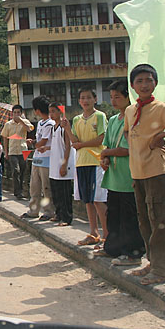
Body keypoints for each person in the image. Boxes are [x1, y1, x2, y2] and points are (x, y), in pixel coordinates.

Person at [124, 64, 165, 285]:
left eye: (148, 80)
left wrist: (163, 135)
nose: (144, 85)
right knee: (145, 221)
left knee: (161, 220)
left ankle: (162, 270)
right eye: (139, 81)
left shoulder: (160, 108)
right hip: (138, 172)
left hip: (157, 171)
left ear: (155, 83)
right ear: (132, 86)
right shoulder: (130, 110)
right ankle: (153, 262)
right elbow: (128, 132)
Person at [96, 80, 145, 264]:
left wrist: (107, 152)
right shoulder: (115, 120)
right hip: (114, 177)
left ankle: (133, 254)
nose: (114, 101)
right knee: (114, 216)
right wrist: (105, 157)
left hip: (128, 177)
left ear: (127, 97)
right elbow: (108, 145)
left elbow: (127, 149)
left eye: (118, 96)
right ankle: (113, 249)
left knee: (129, 217)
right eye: (111, 97)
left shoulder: (133, 119)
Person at [61, 88, 108, 245]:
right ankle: (93, 232)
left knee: (98, 199)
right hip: (81, 162)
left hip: (96, 162)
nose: (85, 100)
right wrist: (67, 128)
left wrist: (82, 144)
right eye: (82, 98)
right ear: (79, 101)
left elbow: (101, 139)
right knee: (88, 199)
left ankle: (107, 235)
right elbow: (74, 142)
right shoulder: (76, 120)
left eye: (88, 97)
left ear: (95, 99)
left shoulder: (100, 116)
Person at [21, 96, 55, 220]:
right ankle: (33, 210)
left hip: (46, 158)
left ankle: (49, 211)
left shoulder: (50, 123)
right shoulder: (40, 123)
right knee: (34, 186)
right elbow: (40, 140)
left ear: (37, 110)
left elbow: (44, 140)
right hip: (38, 158)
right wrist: (34, 142)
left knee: (46, 187)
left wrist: (34, 144)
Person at [47, 103, 75, 226]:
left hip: (63, 163)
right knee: (56, 191)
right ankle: (58, 213)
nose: (51, 114)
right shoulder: (54, 127)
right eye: (50, 112)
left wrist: (64, 164)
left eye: (53, 111)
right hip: (54, 164)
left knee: (64, 192)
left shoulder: (64, 128)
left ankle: (66, 217)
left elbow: (67, 146)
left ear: (59, 112)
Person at [1, 104, 34, 199]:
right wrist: (6, 152)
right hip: (12, 151)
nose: (16, 114)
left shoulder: (25, 122)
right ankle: (17, 192)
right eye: (15, 112)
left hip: (23, 149)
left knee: (23, 171)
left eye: (18, 112)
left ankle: (23, 190)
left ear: (21, 113)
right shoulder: (8, 124)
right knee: (16, 171)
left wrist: (22, 122)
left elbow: (30, 129)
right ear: (12, 114)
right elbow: (5, 138)